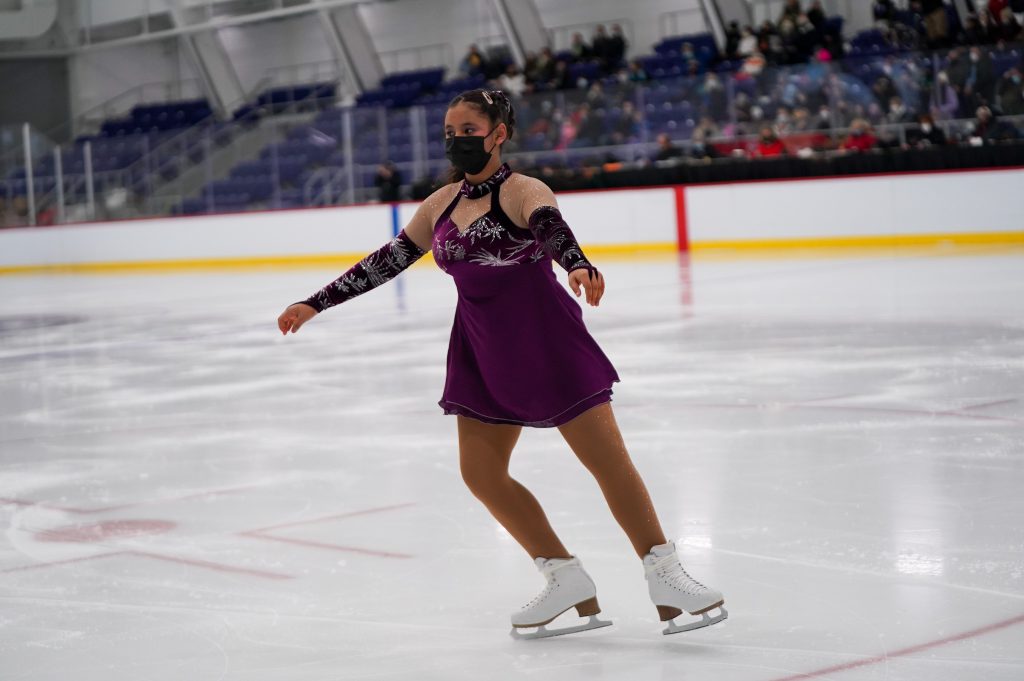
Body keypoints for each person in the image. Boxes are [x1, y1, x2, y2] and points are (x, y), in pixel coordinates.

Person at [276, 88, 727, 640]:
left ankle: (665, 574)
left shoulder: (522, 190)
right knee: (481, 473)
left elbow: (551, 227)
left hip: (546, 342)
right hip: (481, 347)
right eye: (450, 131)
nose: (456, 141)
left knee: (608, 464)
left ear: (498, 133)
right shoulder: (439, 203)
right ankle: (563, 576)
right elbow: (388, 260)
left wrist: (577, 264)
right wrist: (314, 302)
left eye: (468, 130)